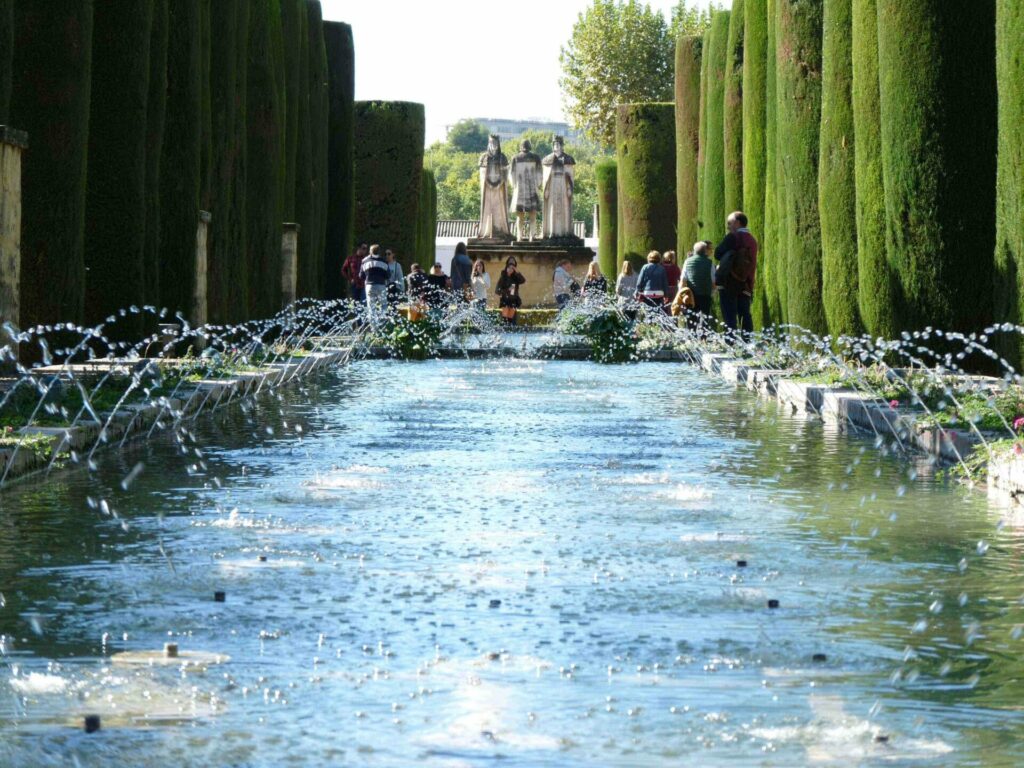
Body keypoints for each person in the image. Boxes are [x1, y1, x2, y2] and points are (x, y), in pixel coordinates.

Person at [714, 211, 759, 335]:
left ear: (737, 223)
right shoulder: (753, 240)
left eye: (730, 223)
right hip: (746, 283)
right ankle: (747, 343)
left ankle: (731, 344)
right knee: (745, 314)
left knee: (729, 317)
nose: (728, 226)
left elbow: (717, 253)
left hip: (730, 282)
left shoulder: (733, 237)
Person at [680, 241, 716, 330]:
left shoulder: (687, 261)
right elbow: (713, 281)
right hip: (705, 295)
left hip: (691, 295)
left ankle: (692, 339)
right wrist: (713, 293)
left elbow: (683, 280)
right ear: (705, 251)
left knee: (691, 319)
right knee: (704, 319)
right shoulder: (710, 263)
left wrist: (682, 294)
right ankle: (703, 339)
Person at [359, 244, 389, 322]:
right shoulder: (384, 261)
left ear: (370, 251)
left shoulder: (365, 261)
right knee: (383, 306)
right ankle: (383, 326)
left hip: (369, 285)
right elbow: (388, 275)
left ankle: (374, 329)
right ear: (379, 252)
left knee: (371, 308)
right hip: (381, 285)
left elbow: (361, 275)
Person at [496, 257, 525, 325]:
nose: (512, 264)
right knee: (505, 320)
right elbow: (498, 290)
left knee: (511, 320)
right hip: (505, 299)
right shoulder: (503, 275)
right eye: (510, 262)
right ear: (507, 265)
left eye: (513, 263)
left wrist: (517, 271)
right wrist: (507, 290)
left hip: (514, 299)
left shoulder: (516, 276)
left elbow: (523, 280)